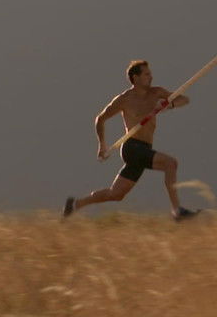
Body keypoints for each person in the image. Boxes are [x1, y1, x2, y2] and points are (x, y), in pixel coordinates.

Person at [63, 60, 199, 221]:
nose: (151, 77)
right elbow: (100, 119)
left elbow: (184, 99)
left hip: (145, 148)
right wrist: (102, 145)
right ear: (136, 77)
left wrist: (169, 105)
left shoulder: (157, 93)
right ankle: (177, 211)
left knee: (116, 194)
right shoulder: (124, 99)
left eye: (150, 74)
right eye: (147, 74)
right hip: (132, 148)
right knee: (170, 163)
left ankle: (75, 204)